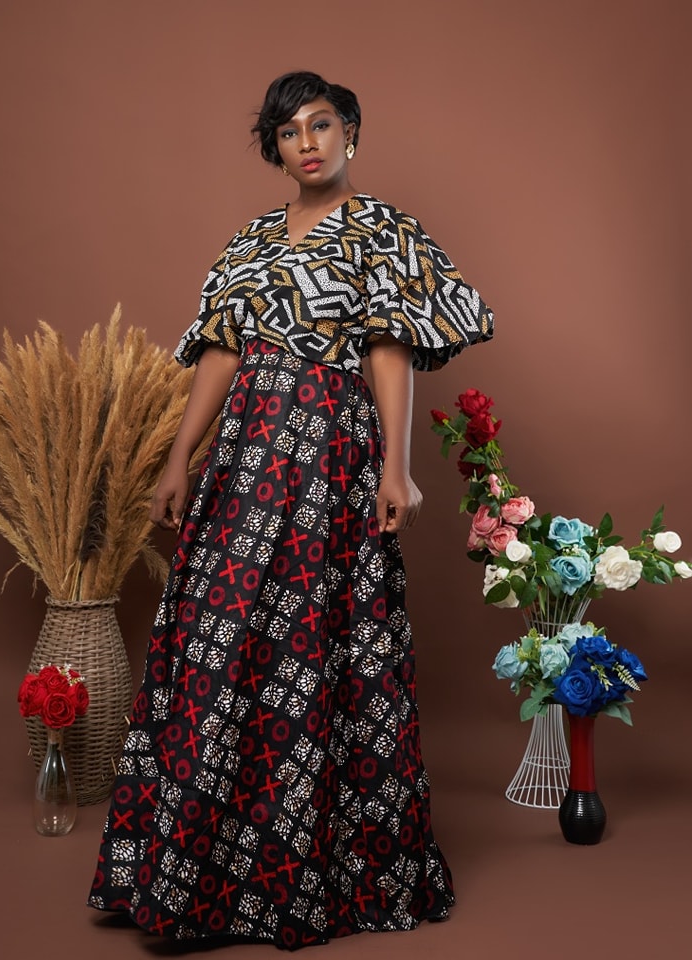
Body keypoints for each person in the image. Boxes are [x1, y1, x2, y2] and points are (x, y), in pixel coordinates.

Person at [88, 70, 493, 950]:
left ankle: (299, 880)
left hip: (328, 450)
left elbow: (389, 351)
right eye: (287, 131)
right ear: (274, 147)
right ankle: (191, 875)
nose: (306, 142)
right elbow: (220, 352)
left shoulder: (380, 230)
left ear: (351, 132)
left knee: (313, 640)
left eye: (321, 124)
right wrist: (178, 457)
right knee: (217, 634)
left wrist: (395, 469)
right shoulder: (250, 241)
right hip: (245, 452)